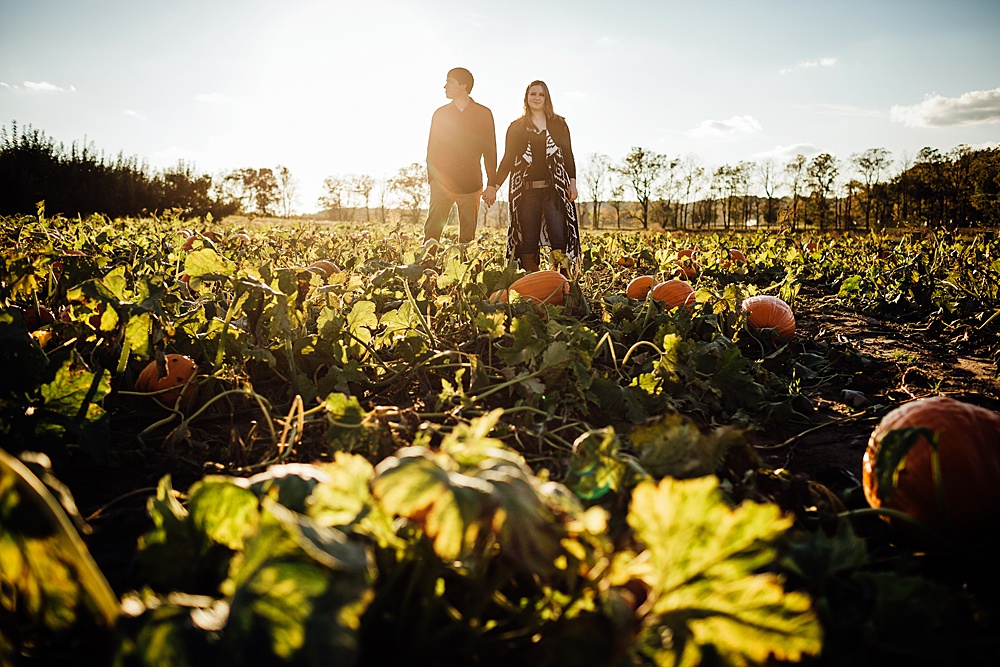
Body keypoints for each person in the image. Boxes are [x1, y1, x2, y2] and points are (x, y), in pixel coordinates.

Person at [489, 80, 580, 273]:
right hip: (526, 191)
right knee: (528, 239)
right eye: (533, 94)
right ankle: (531, 281)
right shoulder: (517, 127)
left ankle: (562, 283)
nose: (536, 98)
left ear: (546, 98)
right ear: (526, 97)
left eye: (541, 94)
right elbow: (507, 159)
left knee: (558, 236)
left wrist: (572, 182)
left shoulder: (559, 124)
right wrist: (494, 186)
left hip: (554, 190)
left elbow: (568, 155)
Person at [424, 67, 498, 247]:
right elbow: (432, 150)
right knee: (432, 233)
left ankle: (463, 273)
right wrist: (433, 180)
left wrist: (491, 184)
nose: (445, 86)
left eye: (449, 81)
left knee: (467, 240)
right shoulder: (440, 114)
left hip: (472, 185)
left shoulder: (484, 113)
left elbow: (490, 151)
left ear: (463, 85)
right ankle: (426, 269)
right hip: (443, 184)